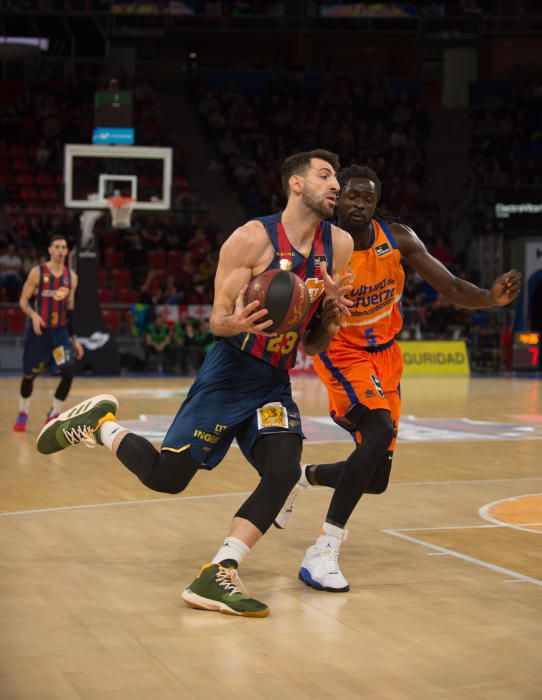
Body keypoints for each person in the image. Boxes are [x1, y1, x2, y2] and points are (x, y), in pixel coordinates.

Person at [35, 149, 354, 618]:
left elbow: (313, 346)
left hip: (274, 381)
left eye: (338, 178)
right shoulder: (251, 239)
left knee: (284, 470)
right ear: (296, 184)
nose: (336, 186)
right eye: (325, 175)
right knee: (169, 477)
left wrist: (329, 315)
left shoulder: (340, 246)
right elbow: (216, 321)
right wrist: (240, 322)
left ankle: (220, 571)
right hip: (230, 371)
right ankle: (100, 425)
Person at [275, 164, 522, 593]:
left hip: (386, 358)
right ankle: (324, 549)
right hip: (342, 352)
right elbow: (308, 336)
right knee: (379, 428)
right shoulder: (321, 247)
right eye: (350, 196)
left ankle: (303, 476)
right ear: (337, 199)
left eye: (366, 199)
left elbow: (449, 286)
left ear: (376, 204)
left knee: (376, 478)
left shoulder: (400, 239)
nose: (357, 204)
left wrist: (489, 298)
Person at [14, 234, 84, 432]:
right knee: (29, 375)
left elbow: (70, 310)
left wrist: (75, 339)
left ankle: (53, 413)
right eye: (57, 247)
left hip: (59, 334)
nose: (61, 250)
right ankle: (23, 411)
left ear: (66, 251)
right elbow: (23, 301)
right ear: (50, 250)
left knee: (68, 373)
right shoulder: (38, 273)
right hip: (38, 333)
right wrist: (34, 316)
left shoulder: (72, 278)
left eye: (64, 247)